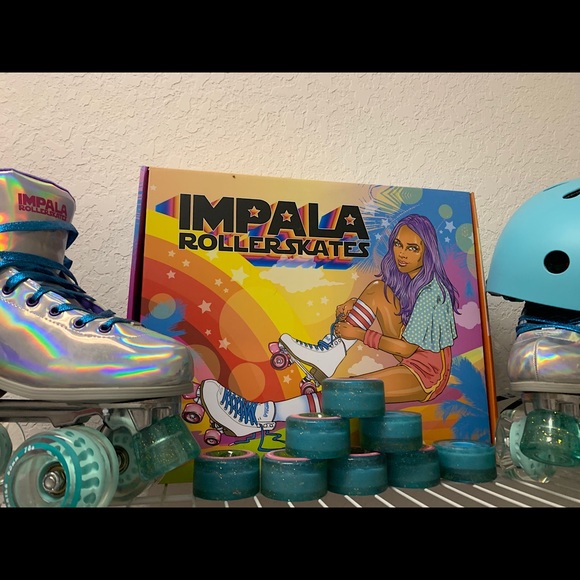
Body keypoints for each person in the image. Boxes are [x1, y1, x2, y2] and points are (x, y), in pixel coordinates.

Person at [200, 213, 460, 437]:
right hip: (411, 353)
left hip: (425, 375)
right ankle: (331, 353)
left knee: (346, 391)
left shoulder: (432, 293)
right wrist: (357, 305)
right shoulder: (406, 278)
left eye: (413, 248)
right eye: (398, 244)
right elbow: (394, 308)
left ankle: (258, 416)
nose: (402, 254)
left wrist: (360, 334)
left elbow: (407, 349)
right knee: (376, 288)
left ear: (427, 252)